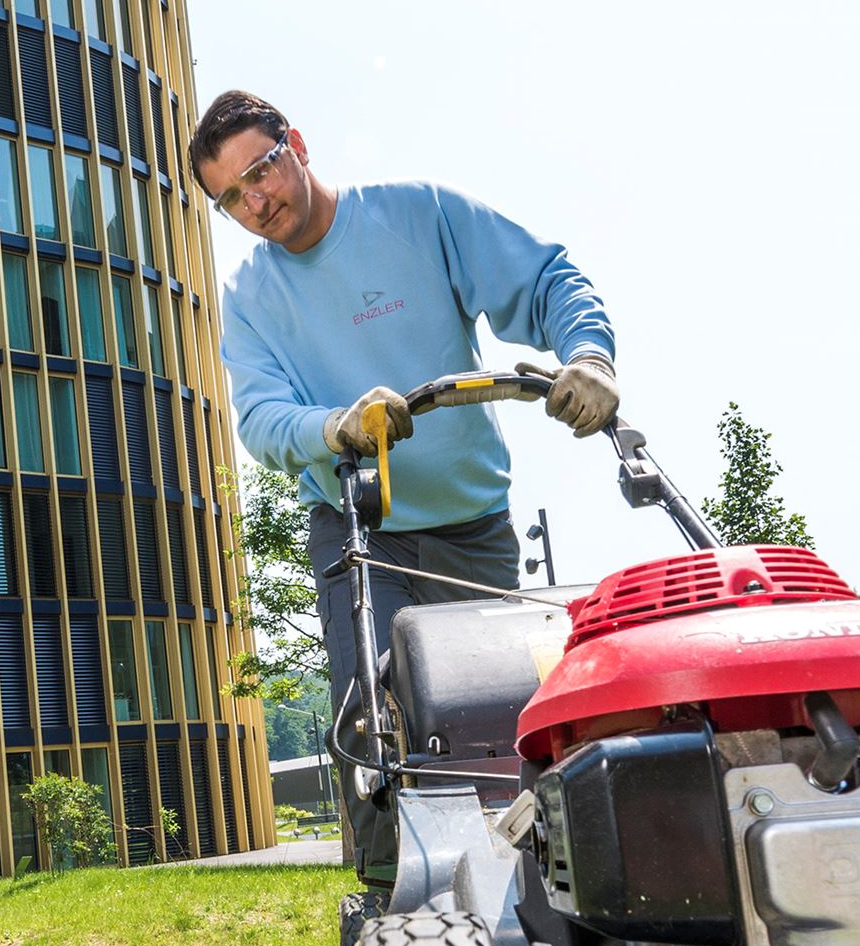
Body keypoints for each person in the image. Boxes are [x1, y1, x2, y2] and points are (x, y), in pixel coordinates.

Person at [189, 88, 619, 878]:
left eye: (260, 172)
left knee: (501, 715)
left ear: (298, 144)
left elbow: (546, 276)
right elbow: (259, 420)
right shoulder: (251, 299)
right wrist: (336, 427)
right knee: (370, 714)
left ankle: (524, 885)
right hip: (359, 524)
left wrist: (587, 356)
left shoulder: (418, 215)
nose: (255, 202)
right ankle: (394, 905)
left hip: (472, 523)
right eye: (230, 198)